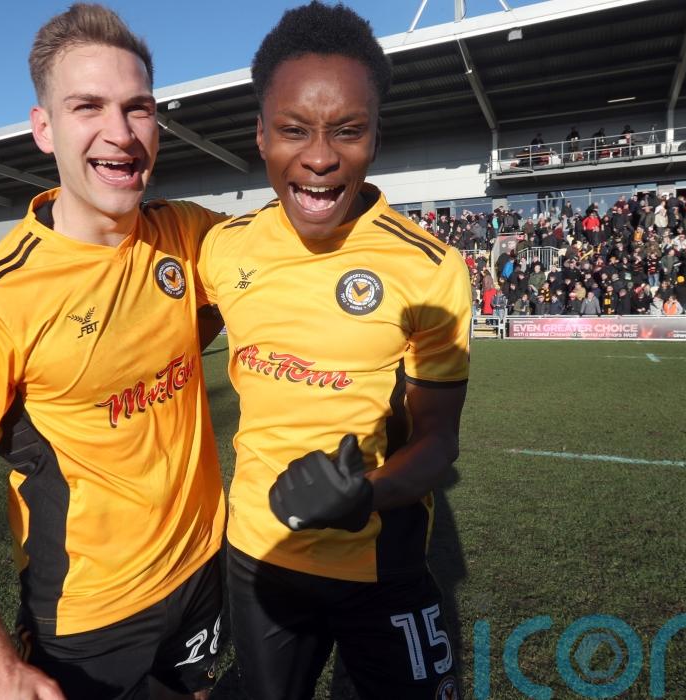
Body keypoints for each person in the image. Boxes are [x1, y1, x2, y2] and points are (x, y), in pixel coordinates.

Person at [0, 5, 226, 699]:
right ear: (43, 128)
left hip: (203, 564)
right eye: (88, 106)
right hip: (90, 616)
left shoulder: (189, 233)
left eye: (139, 108)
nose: (121, 132)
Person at [198, 4, 469, 697]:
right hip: (257, 554)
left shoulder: (429, 268)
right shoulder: (223, 250)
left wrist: (366, 495)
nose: (319, 157)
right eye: (294, 130)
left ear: (375, 135)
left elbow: (439, 441)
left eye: (347, 130)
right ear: (262, 134)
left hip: (381, 563)